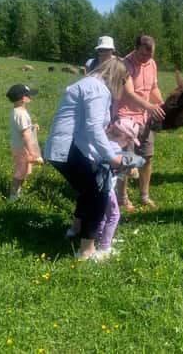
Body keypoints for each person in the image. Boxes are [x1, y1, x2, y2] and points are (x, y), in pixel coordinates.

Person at [44, 57, 129, 260]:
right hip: (68, 148)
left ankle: (75, 231)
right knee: (97, 194)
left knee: (86, 190)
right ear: (117, 77)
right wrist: (111, 157)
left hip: (65, 147)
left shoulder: (89, 84)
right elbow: (92, 129)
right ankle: (86, 251)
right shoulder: (98, 89)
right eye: (124, 82)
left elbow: (90, 127)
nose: (124, 87)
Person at [115, 35, 165, 211]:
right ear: (136, 48)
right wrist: (150, 107)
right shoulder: (124, 64)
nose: (146, 58)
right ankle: (122, 198)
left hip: (144, 117)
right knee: (126, 160)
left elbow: (153, 88)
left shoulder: (151, 64)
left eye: (150, 55)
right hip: (125, 118)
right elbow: (129, 93)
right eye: (143, 54)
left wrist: (160, 104)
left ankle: (144, 196)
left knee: (147, 157)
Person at [95, 118, 146, 259]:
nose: (128, 144)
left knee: (103, 215)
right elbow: (117, 165)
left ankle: (101, 239)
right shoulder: (115, 149)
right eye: (129, 140)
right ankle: (104, 248)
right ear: (124, 137)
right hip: (107, 189)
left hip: (98, 186)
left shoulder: (104, 143)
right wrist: (130, 169)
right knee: (114, 215)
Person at [6, 84, 44, 202]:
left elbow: (21, 128)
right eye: (28, 95)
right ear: (23, 98)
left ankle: (17, 194)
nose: (30, 97)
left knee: (22, 172)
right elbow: (25, 134)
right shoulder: (22, 114)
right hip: (22, 149)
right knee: (19, 173)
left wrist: (31, 127)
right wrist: (34, 154)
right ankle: (13, 198)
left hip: (18, 147)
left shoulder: (16, 111)